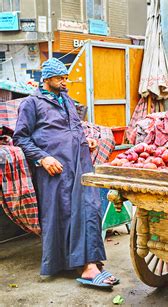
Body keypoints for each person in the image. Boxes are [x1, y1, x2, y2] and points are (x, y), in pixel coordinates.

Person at [13, 58, 118, 287]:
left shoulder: (67, 99)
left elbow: (74, 128)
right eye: (60, 79)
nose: (64, 82)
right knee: (64, 214)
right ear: (47, 79)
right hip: (55, 168)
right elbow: (20, 137)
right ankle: (83, 267)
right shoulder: (32, 104)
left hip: (80, 163)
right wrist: (43, 158)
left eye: (66, 78)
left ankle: (91, 264)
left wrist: (85, 140)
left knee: (89, 209)